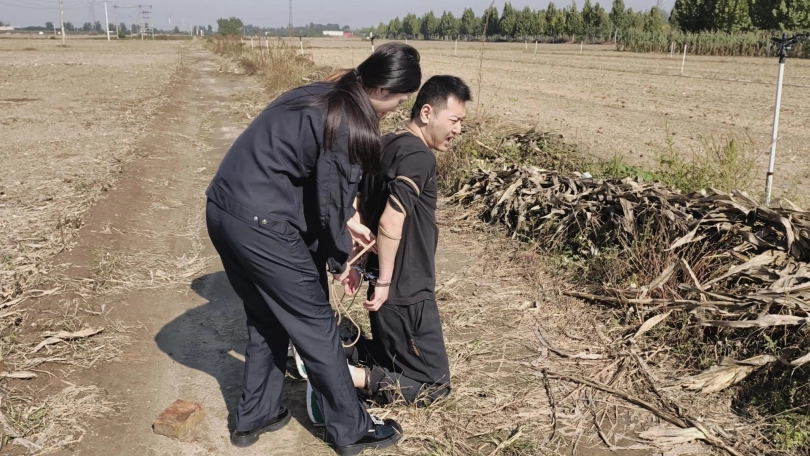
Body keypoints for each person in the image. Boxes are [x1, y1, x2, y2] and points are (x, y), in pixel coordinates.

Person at [204, 42, 420, 455]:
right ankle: (352, 430)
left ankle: (257, 414)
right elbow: (329, 203)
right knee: (317, 324)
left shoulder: (324, 92)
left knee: (266, 317)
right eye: (399, 100)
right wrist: (341, 259)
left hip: (223, 209)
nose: (396, 109)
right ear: (382, 90)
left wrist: (345, 223)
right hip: (261, 223)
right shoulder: (346, 120)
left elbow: (317, 188)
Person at [307, 76, 471, 422]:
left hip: (383, 289)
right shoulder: (419, 157)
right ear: (426, 113)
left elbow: (356, 205)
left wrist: (357, 266)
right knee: (434, 386)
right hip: (405, 292)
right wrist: (384, 281)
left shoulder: (382, 145)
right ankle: (337, 375)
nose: (458, 130)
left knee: (390, 360)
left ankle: (328, 349)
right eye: (454, 120)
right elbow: (389, 221)